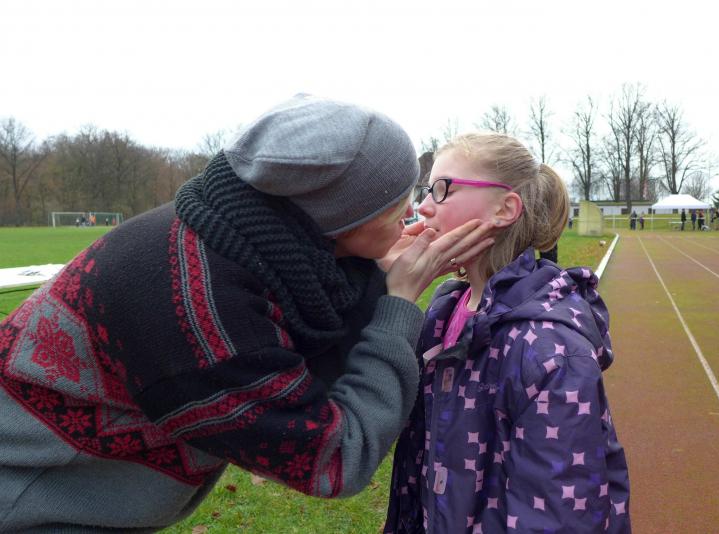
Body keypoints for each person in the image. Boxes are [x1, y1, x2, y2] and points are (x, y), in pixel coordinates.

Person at [0, 95, 495, 532]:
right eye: (398, 199)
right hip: (30, 505)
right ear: (345, 215)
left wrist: (377, 274)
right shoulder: (197, 308)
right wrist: (398, 305)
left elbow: (315, 334)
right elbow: (335, 458)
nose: (413, 210)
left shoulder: (236, 234)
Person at [384, 133, 631, 533]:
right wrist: (377, 279)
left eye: (443, 189)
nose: (423, 207)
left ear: (505, 209)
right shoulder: (445, 313)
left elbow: (556, 518)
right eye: (427, 190)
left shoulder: (550, 350)